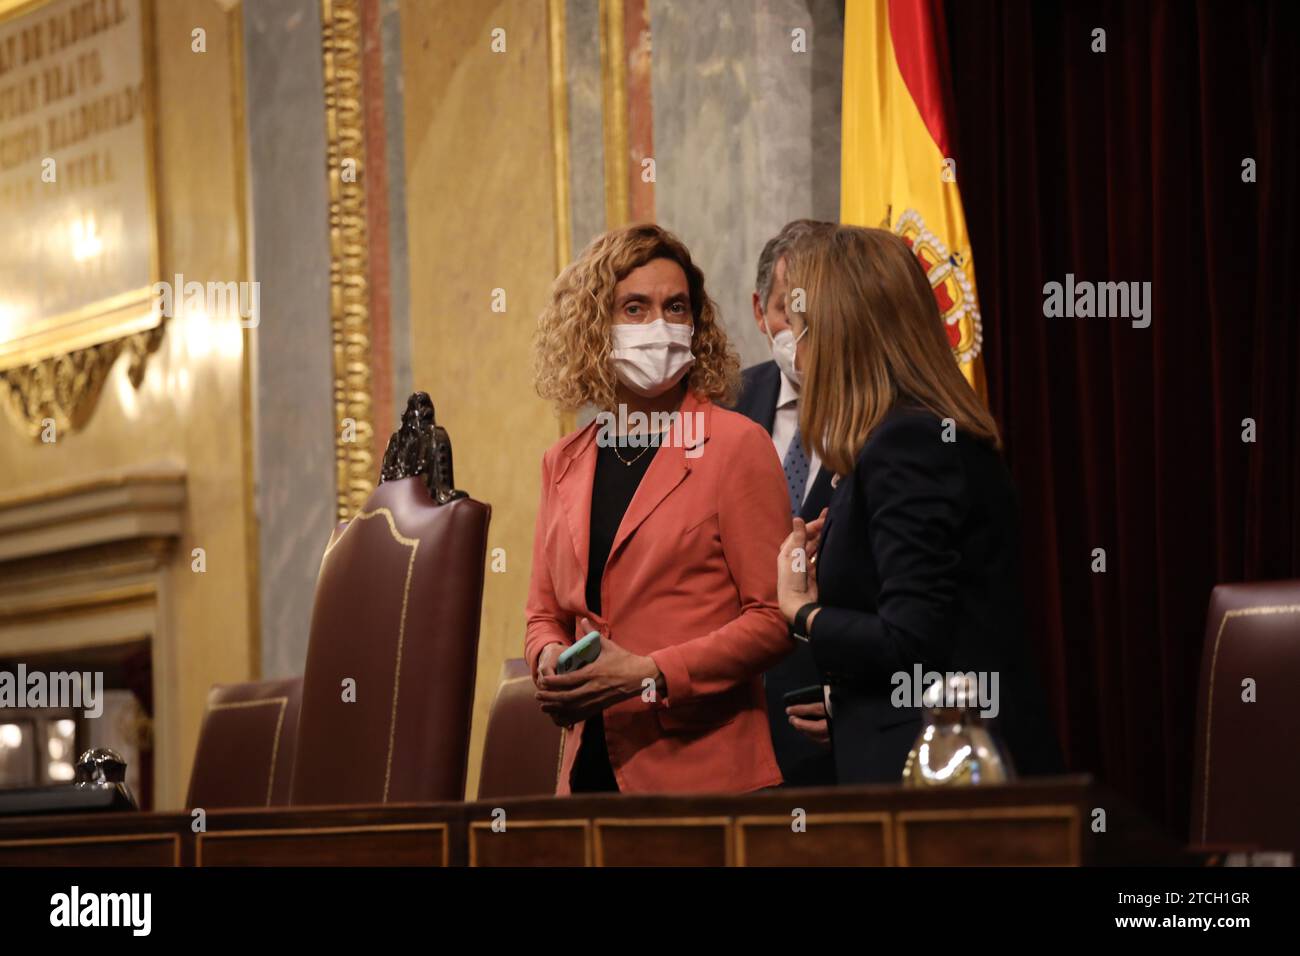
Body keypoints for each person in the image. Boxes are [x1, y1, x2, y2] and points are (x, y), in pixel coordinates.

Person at [773, 225, 1062, 784]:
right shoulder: (918, 435)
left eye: (802, 326)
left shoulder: (907, 444)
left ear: (841, 333)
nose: (796, 349)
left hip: (940, 777)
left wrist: (801, 611)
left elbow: (909, 639)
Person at [526, 223, 795, 794]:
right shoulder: (563, 462)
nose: (660, 327)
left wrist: (650, 672)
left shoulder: (737, 445)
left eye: (676, 308)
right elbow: (544, 614)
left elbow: (774, 621)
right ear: (595, 327)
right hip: (591, 770)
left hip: (706, 775)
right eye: (635, 308)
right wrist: (549, 659)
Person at [733, 219, 838, 787]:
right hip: (734, 723)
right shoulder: (722, 406)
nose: (799, 328)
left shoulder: (880, 414)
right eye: (785, 309)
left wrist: (851, 696)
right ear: (759, 311)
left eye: (813, 308)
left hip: (836, 726)